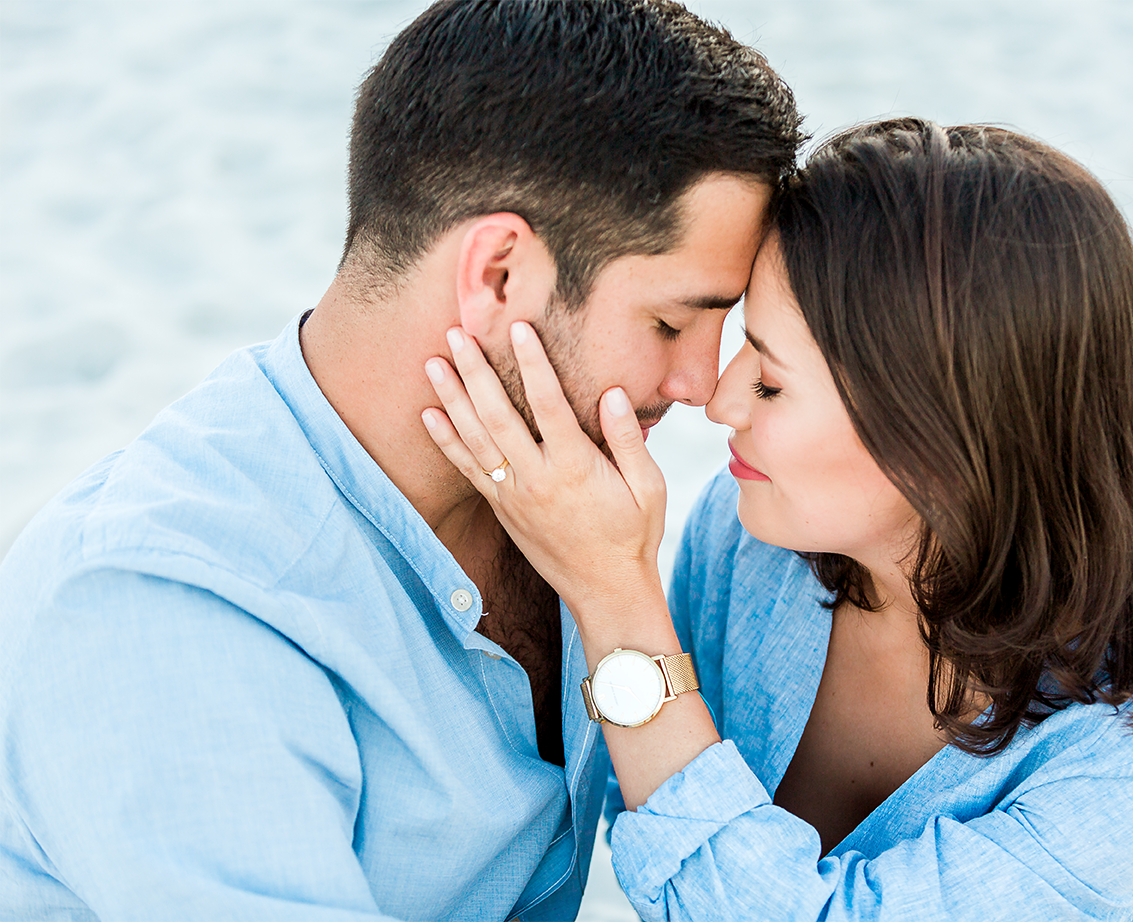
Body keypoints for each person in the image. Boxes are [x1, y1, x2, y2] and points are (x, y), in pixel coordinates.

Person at [0, 2, 802, 919]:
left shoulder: (561, 498)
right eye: (671, 322)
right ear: (498, 274)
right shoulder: (167, 610)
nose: (703, 382)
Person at [421, 118, 1133, 920]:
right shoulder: (756, 536)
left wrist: (615, 597)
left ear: (938, 438)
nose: (720, 402)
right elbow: (636, 794)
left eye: (768, 380)